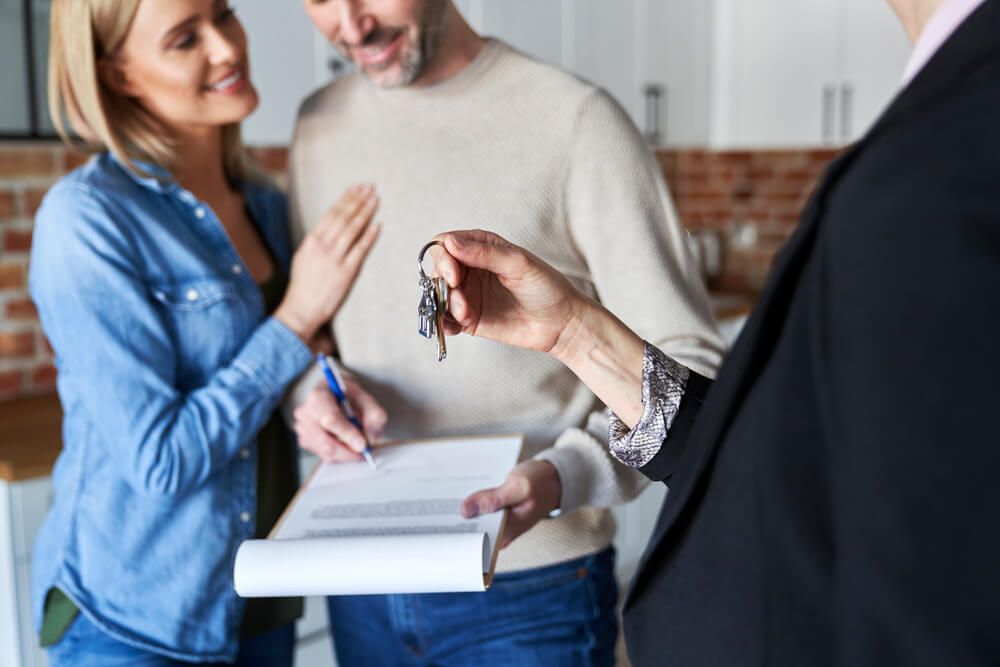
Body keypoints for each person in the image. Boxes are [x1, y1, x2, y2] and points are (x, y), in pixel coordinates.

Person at [427, 0, 1000, 663]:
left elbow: (939, 590)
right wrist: (573, 332)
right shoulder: (943, 113)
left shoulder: (946, 159)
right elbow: (786, 464)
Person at [288, 0, 725, 663]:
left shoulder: (576, 121)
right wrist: (310, 394)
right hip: (364, 576)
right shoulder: (316, 127)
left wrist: (563, 475)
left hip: (530, 587)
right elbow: (317, 335)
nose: (351, 26)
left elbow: (690, 366)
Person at [29, 1, 379, 664]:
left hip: (261, 601)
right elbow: (161, 461)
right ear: (121, 75)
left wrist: (318, 386)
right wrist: (297, 317)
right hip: (135, 621)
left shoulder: (270, 208)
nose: (226, 47)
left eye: (223, 14)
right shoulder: (87, 220)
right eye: (186, 38)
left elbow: (277, 368)